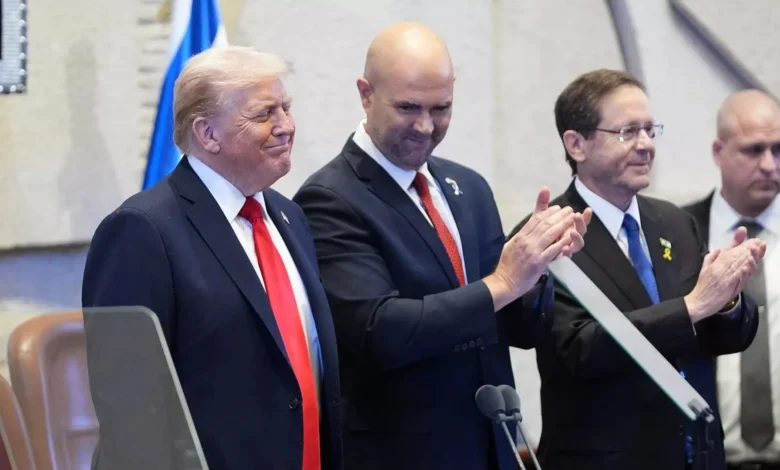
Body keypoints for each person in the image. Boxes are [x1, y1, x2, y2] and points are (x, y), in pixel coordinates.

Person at [293, 23, 590, 470]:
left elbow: (520, 331)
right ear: (365, 94)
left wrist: (537, 267)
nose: (426, 126)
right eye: (408, 107)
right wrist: (504, 281)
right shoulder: (330, 198)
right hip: (403, 455)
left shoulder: (468, 188)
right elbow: (378, 332)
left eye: (441, 108)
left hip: (493, 446)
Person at [82, 46, 343, 470]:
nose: (286, 126)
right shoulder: (141, 230)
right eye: (265, 114)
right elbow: (130, 408)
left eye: (286, 108)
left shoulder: (289, 216)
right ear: (207, 134)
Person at [509, 69, 764, 470]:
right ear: (576, 144)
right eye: (627, 132)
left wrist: (729, 298)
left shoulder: (675, 223)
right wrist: (693, 306)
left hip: (698, 456)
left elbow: (724, 336)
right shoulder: (546, 234)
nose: (646, 144)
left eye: (650, 129)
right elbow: (577, 348)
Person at [685, 90, 780, 470]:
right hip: (707, 458)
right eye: (754, 150)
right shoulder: (678, 233)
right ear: (718, 151)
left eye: (778, 150)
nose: (770, 165)